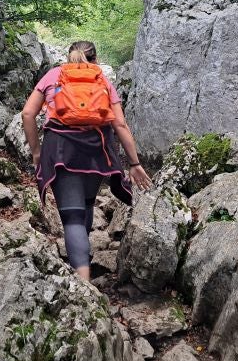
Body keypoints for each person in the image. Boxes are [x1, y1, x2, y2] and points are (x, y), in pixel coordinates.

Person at [22, 40, 151, 281]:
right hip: (96, 151)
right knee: (88, 203)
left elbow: (28, 113)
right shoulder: (102, 80)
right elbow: (119, 124)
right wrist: (134, 163)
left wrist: (37, 152)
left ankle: (83, 282)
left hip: (60, 150)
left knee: (72, 218)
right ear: (95, 57)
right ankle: (86, 254)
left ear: (69, 55)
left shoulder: (53, 75)